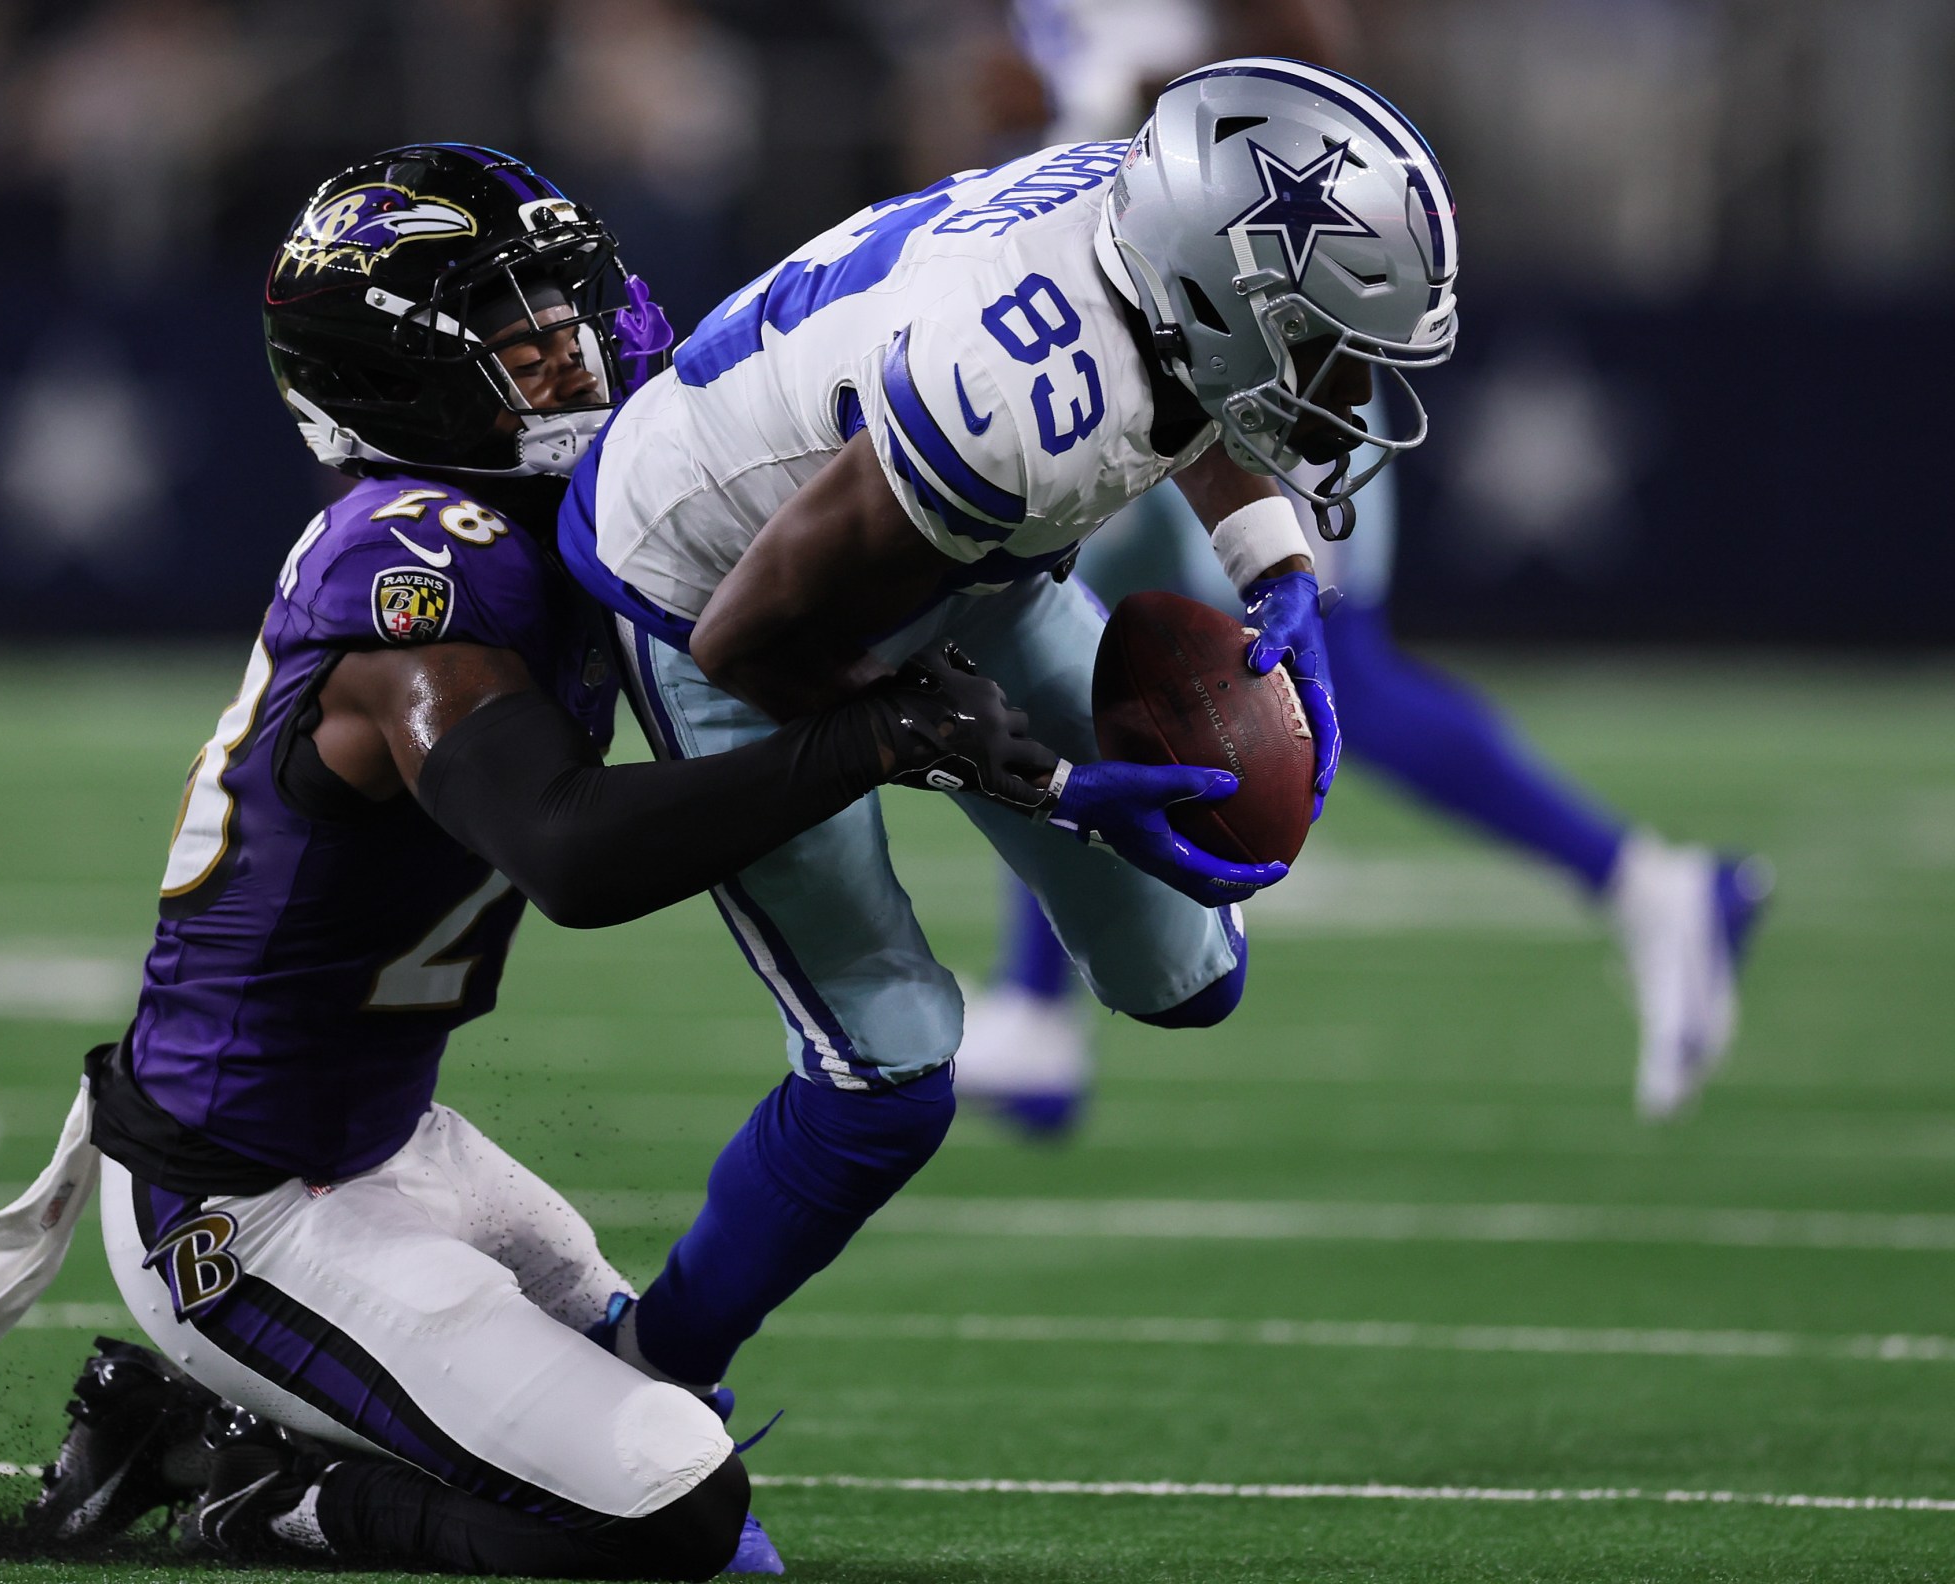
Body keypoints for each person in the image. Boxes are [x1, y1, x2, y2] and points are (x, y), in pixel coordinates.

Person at [0, 144, 1054, 1578]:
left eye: (571, 312)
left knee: (674, 1415)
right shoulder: (414, 570)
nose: (579, 351)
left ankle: (203, 1422)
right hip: (241, 1207)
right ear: (397, 380)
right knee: (680, 1516)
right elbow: (566, 851)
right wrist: (864, 744)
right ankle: (251, 1490)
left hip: (387, 1144)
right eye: (521, 334)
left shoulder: (544, 526)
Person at [556, 58, 1453, 1400]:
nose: (1346, 385)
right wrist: (1023, 774)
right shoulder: (1021, 405)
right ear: (1223, 291)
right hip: (711, 591)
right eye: (1323, 341)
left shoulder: (1151, 249)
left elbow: (1190, 378)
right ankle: (646, 1372)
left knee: (1188, 972)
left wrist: (1272, 562)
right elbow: (758, 642)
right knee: (890, 1070)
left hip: (948, 555)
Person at [956, 4, 1768, 1135]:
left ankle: (1650, 886)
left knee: (1331, 670)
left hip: (1242, 340)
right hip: (1097, 327)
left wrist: (1158, 95)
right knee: (1047, 617)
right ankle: (1038, 1010)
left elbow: (1317, 75)